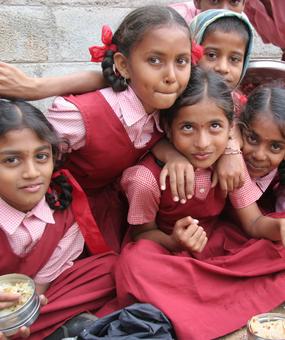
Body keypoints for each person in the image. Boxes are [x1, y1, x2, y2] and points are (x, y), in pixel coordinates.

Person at [114, 67, 285, 340]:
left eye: (215, 126)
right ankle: (205, 311)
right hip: (168, 254)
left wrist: (280, 230)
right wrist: (174, 241)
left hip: (214, 244)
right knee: (134, 263)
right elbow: (142, 233)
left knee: (276, 242)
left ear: (231, 129)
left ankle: (201, 305)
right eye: (188, 128)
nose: (202, 143)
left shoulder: (230, 162)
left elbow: (254, 222)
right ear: (168, 129)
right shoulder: (146, 180)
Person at [0, 99, 117, 340]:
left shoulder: (62, 204)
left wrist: (27, 308)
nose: (32, 172)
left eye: (41, 157)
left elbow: (43, 282)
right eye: (12, 160)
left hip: (37, 298)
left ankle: (29, 330)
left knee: (109, 268)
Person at [238, 85, 285, 213]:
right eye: (252, 139)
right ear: (239, 130)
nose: (259, 155)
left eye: (275, 146)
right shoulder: (224, 159)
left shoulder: (279, 178)